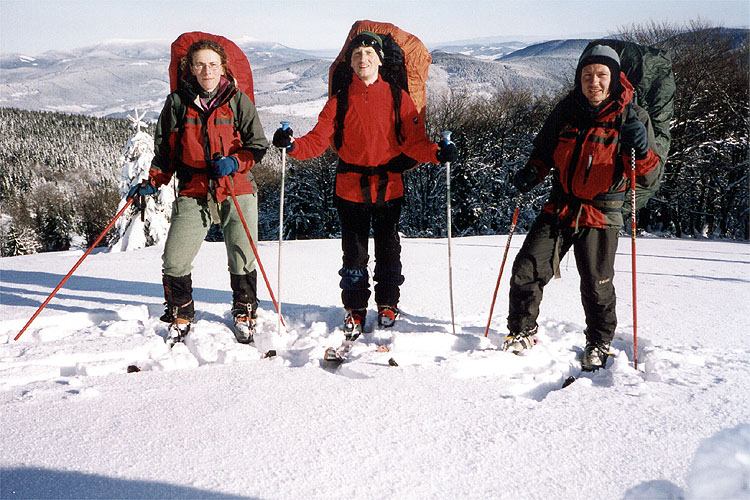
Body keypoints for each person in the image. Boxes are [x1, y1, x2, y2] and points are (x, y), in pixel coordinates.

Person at [272, 30, 457, 336]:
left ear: (380, 60)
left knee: (388, 250)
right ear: (351, 62)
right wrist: (291, 145)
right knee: (354, 254)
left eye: (369, 54)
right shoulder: (339, 101)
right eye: (357, 54)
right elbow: (316, 142)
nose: (363, 59)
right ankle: (355, 309)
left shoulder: (400, 99)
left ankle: (387, 304)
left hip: (389, 186)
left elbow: (414, 144)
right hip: (350, 187)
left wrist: (438, 152)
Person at [504, 44, 660, 371]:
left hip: (603, 211)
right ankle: (521, 331)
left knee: (597, 283)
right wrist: (532, 172)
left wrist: (641, 148)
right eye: (587, 75)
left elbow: (647, 172)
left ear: (615, 78)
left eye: (602, 75)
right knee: (527, 267)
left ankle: (599, 342)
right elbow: (545, 151)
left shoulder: (633, 117)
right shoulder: (566, 109)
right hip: (560, 205)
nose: (594, 82)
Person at [128, 38, 269, 344]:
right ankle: (180, 312)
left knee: (242, 257)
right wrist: (154, 180)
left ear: (223, 67)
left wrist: (235, 162)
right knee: (175, 258)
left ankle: (245, 310)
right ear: (190, 68)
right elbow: (165, 152)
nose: (207, 70)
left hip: (236, 187)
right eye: (200, 64)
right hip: (194, 189)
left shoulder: (237, 100)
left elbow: (257, 146)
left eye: (213, 64)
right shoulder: (177, 103)